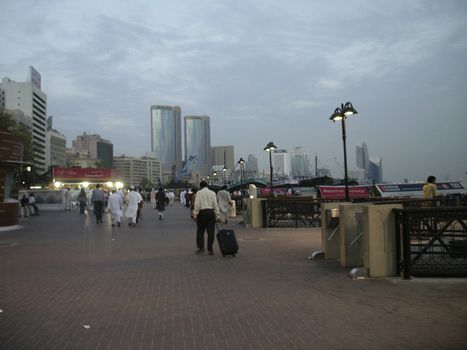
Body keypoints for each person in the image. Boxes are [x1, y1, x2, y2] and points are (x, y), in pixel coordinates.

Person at [192, 181, 220, 256]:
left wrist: (195, 215)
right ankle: (210, 249)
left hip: (202, 213)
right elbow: (215, 204)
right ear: (207, 186)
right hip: (211, 213)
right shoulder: (212, 193)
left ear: (200, 186)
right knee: (211, 232)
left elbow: (197, 204)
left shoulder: (199, 193)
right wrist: (217, 215)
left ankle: (201, 247)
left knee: (200, 231)